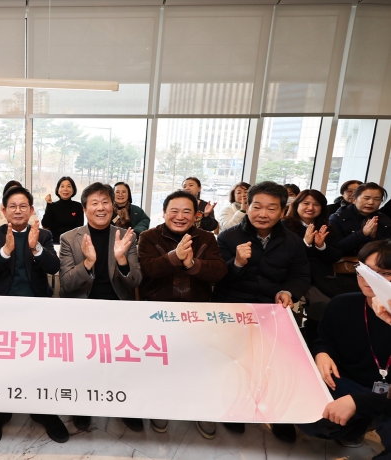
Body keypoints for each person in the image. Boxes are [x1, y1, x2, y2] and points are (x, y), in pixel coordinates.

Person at [213, 181, 310, 441]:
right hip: (234, 308)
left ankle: (277, 413)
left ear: (283, 211)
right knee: (236, 363)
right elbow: (216, 277)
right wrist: (237, 263)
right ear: (247, 206)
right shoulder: (228, 237)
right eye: (257, 206)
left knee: (275, 365)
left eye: (271, 208)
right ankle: (238, 409)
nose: (263, 214)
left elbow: (301, 275)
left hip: (272, 309)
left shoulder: (293, 241)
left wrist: (289, 292)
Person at [0, 186, 69, 447]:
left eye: (23, 206)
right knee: (1, 363)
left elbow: (54, 267)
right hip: (1, 309)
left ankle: (42, 410)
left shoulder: (43, 234)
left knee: (39, 362)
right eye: (12, 206)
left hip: (36, 308)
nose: (18, 211)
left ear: (31, 210)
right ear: (4, 210)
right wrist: (6, 251)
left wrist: (36, 247)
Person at [137, 190, 227, 439]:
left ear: (196, 215)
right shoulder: (148, 236)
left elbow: (219, 271)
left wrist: (191, 264)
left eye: (186, 211)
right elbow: (148, 270)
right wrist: (174, 257)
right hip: (157, 310)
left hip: (196, 312)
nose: (179, 216)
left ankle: (200, 408)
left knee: (199, 364)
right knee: (159, 364)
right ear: (164, 212)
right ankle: (160, 404)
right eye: (174, 211)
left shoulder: (207, 238)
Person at [58, 182, 143, 433]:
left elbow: (136, 281)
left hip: (118, 307)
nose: (101, 208)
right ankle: (82, 406)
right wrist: (88, 262)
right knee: (83, 363)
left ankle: (124, 406)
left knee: (122, 362)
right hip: (82, 310)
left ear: (113, 206)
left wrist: (122, 260)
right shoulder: (69, 239)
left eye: (105, 202)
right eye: (94, 203)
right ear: (85, 208)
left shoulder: (126, 236)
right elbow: (67, 284)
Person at [297, 240, 391, 458]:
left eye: (384, 273)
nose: (369, 279)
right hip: (350, 382)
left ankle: (363, 417)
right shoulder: (342, 304)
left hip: (385, 396)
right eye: (365, 270)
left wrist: (359, 403)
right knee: (311, 418)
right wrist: (322, 353)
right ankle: (355, 428)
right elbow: (324, 338)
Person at [282, 190, 344, 299]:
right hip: (292, 278)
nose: (311, 208)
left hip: (322, 280)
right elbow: (284, 255)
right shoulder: (284, 226)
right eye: (306, 203)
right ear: (297, 205)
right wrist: (305, 243)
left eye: (316, 204)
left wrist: (321, 247)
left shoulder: (327, 228)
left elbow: (335, 256)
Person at [330, 182, 391, 257]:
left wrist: (374, 237)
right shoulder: (338, 218)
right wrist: (363, 233)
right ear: (354, 199)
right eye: (366, 198)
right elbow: (334, 249)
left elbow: (387, 249)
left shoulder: (384, 220)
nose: (371, 202)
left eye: (377, 199)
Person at [41, 176, 84, 243]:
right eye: (62, 186)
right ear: (58, 190)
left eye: (69, 186)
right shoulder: (52, 206)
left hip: (72, 243)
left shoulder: (78, 206)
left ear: (73, 190)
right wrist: (49, 204)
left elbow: (79, 229)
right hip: (54, 242)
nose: (65, 189)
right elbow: (45, 224)